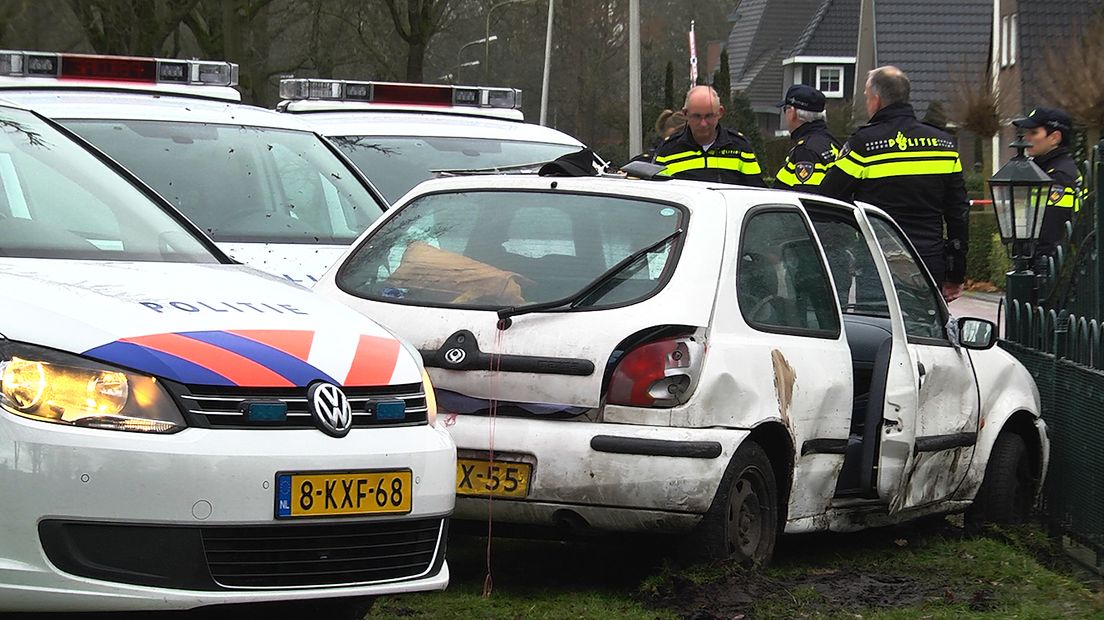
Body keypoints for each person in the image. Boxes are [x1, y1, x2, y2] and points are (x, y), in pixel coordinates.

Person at [820, 66, 969, 302]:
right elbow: (958, 214)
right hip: (928, 263)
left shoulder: (864, 145)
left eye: (868, 97)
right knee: (927, 334)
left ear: (877, 100)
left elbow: (827, 199)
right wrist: (955, 272)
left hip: (877, 263)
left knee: (879, 331)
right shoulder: (944, 145)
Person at [653, 85, 765, 187]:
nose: (703, 123)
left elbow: (756, 193)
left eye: (709, 116)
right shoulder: (667, 151)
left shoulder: (740, 148)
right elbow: (658, 195)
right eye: (696, 116)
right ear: (685, 114)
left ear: (720, 112)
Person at [1012, 107, 1082, 258]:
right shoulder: (1043, 169)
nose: (1026, 138)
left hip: (1049, 271)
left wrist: (1041, 273)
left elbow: (1052, 232)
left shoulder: (1059, 175)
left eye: (1034, 133)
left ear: (1054, 137)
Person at [774, 84, 841, 191]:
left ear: (792, 113)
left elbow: (807, 200)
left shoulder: (806, 152)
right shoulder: (831, 142)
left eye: (785, 110)